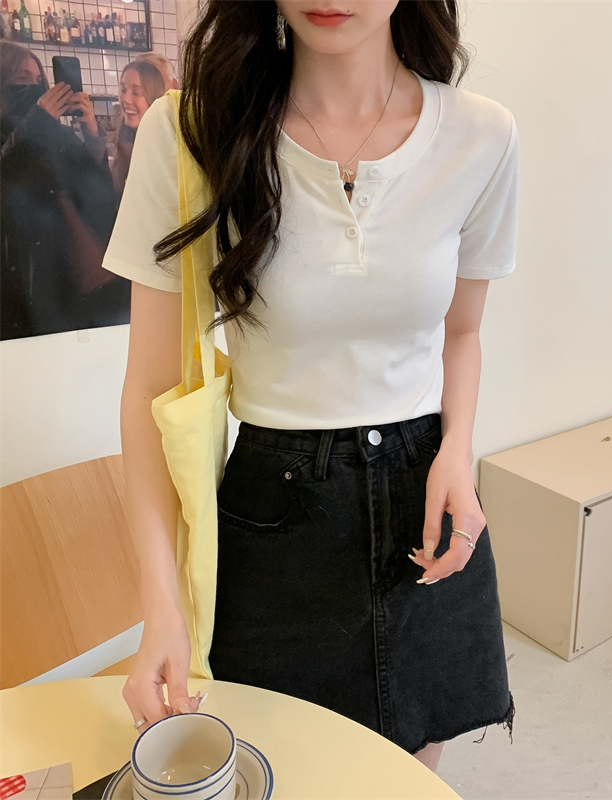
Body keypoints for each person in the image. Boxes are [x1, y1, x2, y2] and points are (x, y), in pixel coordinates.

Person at [101, 0, 519, 773]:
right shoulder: (190, 132)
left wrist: (457, 453)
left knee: (406, 773)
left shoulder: (482, 135)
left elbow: (463, 333)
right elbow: (148, 391)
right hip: (275, 514)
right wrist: (161, 608)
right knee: (284, 768)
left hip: (421, 495)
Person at [0, 40, 125, 339]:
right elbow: (9, 178)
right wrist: (38, 122)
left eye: (38, 80)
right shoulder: (27, 130)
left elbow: (96, 193)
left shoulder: (56, 132)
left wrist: (92, 135)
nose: (34, 87)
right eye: (22, 79)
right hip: (23, 284)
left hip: (70, 279)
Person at [109, 56, 172, 199]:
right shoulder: (126, 140)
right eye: (123, 90)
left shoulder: (168, 150)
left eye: (136, 92)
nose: (125, 99)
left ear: (154, 98)